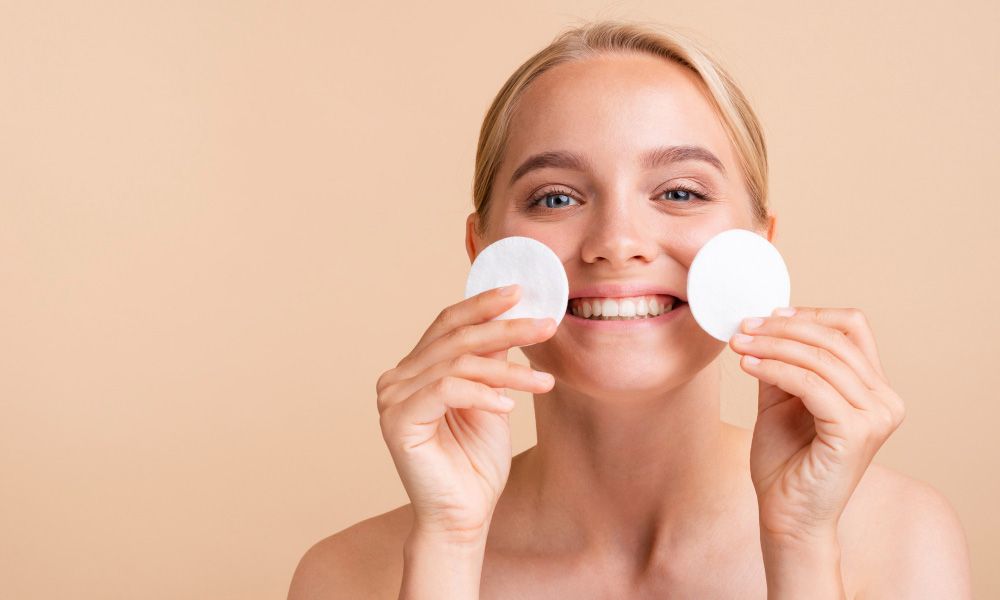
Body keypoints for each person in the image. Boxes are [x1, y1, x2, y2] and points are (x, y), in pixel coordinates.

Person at [288, 20, 972, 599]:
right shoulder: (348, 576)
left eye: (678, 192)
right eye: (556, 197)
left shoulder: (901, 540)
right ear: (484, 250)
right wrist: (448, 545)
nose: (616, 244)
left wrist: (799, 545)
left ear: (759, 245)